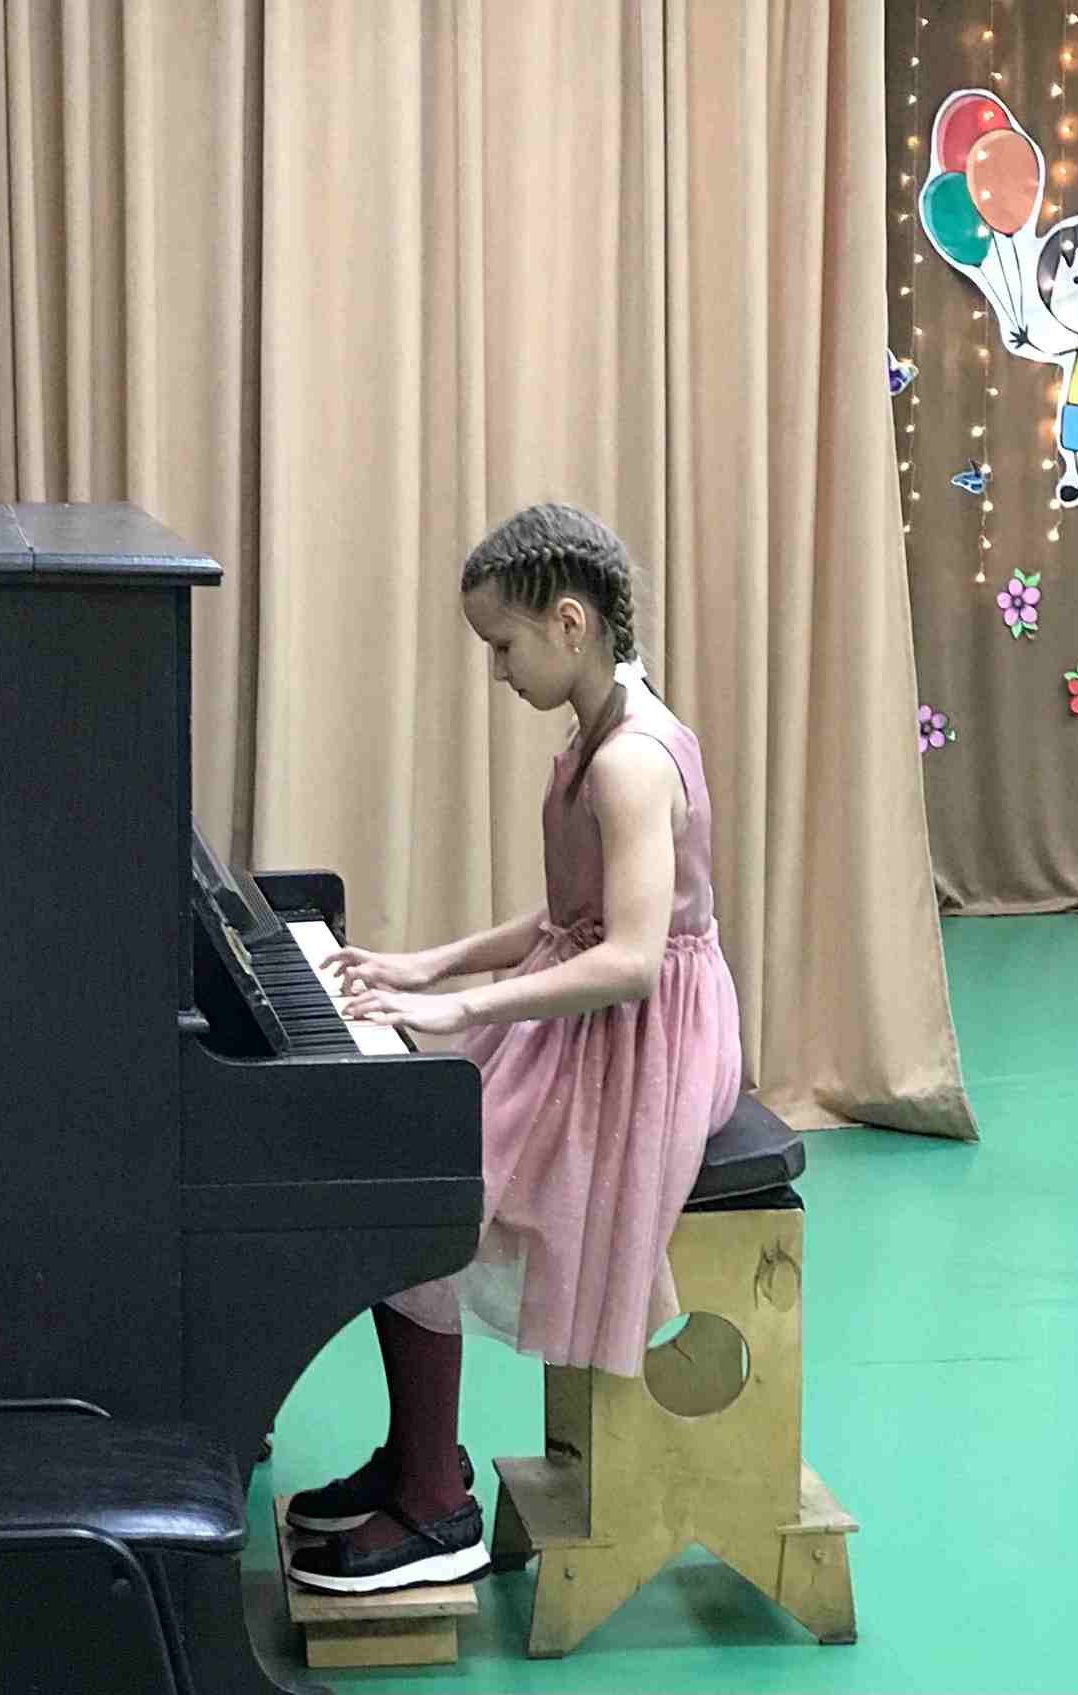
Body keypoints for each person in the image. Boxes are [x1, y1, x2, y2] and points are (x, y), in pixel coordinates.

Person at [287, 502, 742, 1596]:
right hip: (599, 1017)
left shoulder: (632, 762)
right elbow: (567, 919)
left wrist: (468, 1011)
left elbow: (631, 961)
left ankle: (437, 1510)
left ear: (570, 623)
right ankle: (418, 1454)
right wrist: (429, 967)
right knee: (411, 1162)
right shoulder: (592, 737)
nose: (497, 670)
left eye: (503, 645)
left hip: (652, 1039)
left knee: (429, 1184)